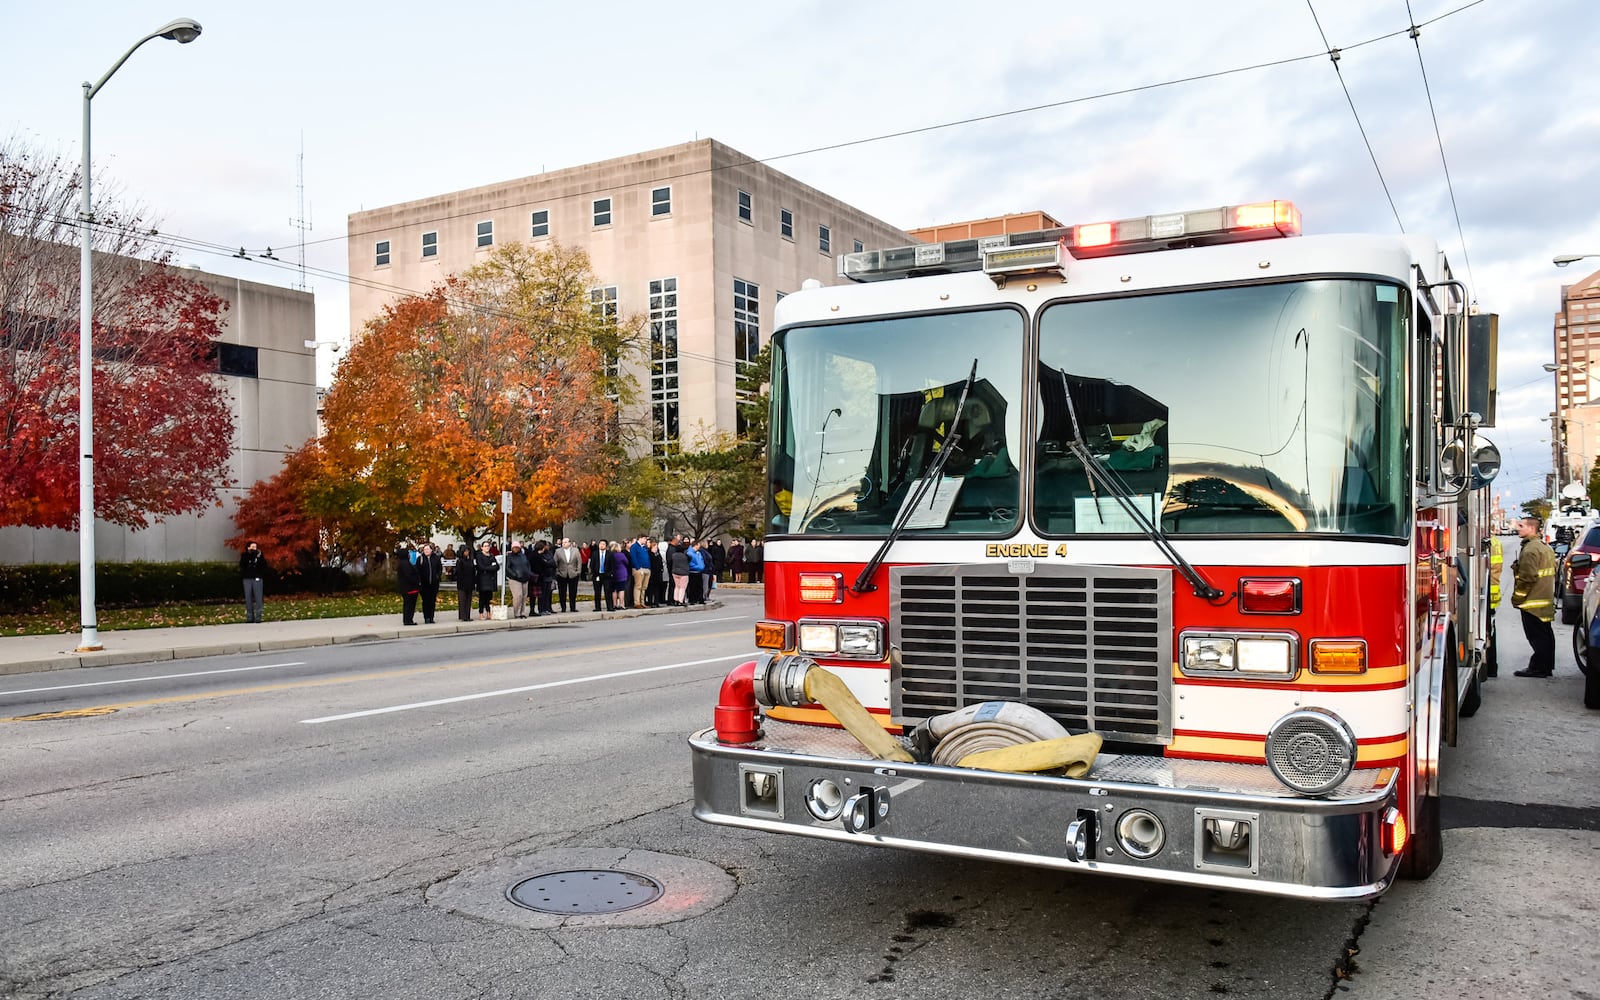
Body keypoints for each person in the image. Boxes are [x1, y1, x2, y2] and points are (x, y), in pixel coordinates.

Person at [1512, 516, 1557, 677]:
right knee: (1546, 635)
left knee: (1537, 637)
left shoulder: (1530, 550)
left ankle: (1538, 668)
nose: (1517, 528)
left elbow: (1527, 578)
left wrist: (1517, 598)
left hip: (1532, 603)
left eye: (1521, 525)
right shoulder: (1544, 547)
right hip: (1544, 601)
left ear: (1531, 528)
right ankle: (1546, 666)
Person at [239, 540, 268, 623]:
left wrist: (258, 558)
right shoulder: (244, 555)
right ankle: (249, 617)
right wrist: (249, 556)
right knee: (248, 598)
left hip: (257, 578)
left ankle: (258, 617)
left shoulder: (259, 555)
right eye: (252, 547)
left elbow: (264, 566)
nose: (254, 548)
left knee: (258, 598)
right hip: (247, 578)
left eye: (255, 547)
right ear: (248, 547)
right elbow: (242, 565)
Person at [417, 541, 443, 624]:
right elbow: (417, 571)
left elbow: (439, 569)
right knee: (426, 601)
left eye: (428, 549)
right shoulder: (420, 559)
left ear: (431, 550)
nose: (426, 551)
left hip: (434, 584)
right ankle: (426, 617)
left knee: (432, 601)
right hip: (424, 585)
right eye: (425, 549)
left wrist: (437, 577)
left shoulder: (436, 558)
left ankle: (431, 617)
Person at [396, 541, 422, 626]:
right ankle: (408, 620)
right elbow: (409, 575)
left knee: (408, 604)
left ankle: (407, 619)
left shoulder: (402, 563)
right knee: (410, 604)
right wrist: (417, 582)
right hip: (410, 588)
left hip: (406, 587)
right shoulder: (405, 564)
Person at [505, 540, 532, 618]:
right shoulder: (509, 557)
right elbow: (507, 568)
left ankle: (522, 612)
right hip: (515, 579)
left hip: (525, 578)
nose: (516, 549)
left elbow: (528, 565)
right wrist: (514, 574)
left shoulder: (523, 556)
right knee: (518, 595)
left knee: (524, 596)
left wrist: (528, 573)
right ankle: (516, 612)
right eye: (514, 547)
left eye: (517, 547)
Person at [554, 537, 582, 613]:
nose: (564, 544)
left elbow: (579, 562)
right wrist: (557, 572)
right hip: (562, 574)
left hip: (573, 574)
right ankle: (563, 607)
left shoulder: (575, 550)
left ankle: (573, 607)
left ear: (569, 543)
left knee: (573, 592)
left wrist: (578, 572)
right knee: (562, 592)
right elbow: (555, 563)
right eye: (563, 542)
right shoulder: (558, 551)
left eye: (565, 542)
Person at [474, 540, 500, 620]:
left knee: (489, 597)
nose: (487, 547)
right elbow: (481, 567)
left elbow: (497, 566)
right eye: (485, 546)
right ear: (482, 547)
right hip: (482, 580)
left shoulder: (492, 556)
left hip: (490, 580)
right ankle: (481, 613)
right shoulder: (479, 556)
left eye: (488, 546)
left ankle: (489, 612)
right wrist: (490, 568)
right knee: (482, 598)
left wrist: (488, 568)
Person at [532, 539, 557, 616]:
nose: (547, 547)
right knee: (542, 595)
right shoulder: (538, 555)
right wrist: (547, 563)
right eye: (546, 545)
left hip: (549, 575)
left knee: (548, 594)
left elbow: (553, 563)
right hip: (542, 576)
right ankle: (541, 609)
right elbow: (543, 564)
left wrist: (548, 562)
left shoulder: (549, 553)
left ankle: (547, 608)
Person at [455, 537, 476, 621]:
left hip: (470, 583)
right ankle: (463, 616)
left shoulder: (470, 561)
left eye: (468, 551)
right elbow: (458, 573)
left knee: (468, 600)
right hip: (462, 584)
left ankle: (467, 615)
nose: (467, 553)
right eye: (465, 551)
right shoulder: (460, 561)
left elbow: (473, 571)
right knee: (462, 600)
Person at [629, 534, 651, 610]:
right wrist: (638, 567)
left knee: (644, 587)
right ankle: (637, 603)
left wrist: (649, 568)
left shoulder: (644, 547)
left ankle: (642, 602)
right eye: (644, 539)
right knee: (638, 586)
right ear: (640, 538)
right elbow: (633, 557)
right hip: (639, 569)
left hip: (646, 568)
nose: (645, 540)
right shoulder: (634, 547)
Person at [668, 537, 691, 605]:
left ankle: (676, 600)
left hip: (675, 572)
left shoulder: (673, 555)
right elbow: (690, 559)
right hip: (683, 573)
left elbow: (670, 562)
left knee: (677, 586)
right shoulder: (685, 556)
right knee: (682, 587)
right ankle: (681, 600)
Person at [609, 541, 630, 612]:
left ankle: (614, 604)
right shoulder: (621, 555)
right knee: (621, 589)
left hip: (614, 573)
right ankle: (621, 604)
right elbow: (626, 562)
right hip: (622, 573)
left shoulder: (611, 555)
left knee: (614, 590)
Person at [590, 540, 610, 611]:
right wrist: (593, 573)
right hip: (597, 575)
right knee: (597, 592)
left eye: (603, 544)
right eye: (600, 544)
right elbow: (592, 564)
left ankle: (609, 607)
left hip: (606, 576)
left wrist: (610, 574)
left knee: (607, 591)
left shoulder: (609, 554)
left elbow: (612, 565)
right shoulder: (595, 554)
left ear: (606, 546)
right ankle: (597, 607)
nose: (601, 545)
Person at [687, 540, 707, 605]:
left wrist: (702, 566)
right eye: (698, 546)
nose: (699, 547)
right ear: (695, 545)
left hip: (699, 572)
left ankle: (700, 599)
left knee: (700, 586)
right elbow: (690, 563)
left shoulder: (698, 553)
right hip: (693, 572)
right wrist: (697, 567)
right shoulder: (689, 553)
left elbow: (701, 560)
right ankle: (692, 599)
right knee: (693, 587)